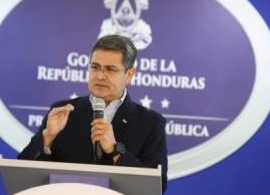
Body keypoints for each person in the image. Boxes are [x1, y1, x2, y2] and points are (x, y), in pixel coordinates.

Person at [18, 34, 168, 193]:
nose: (100, 76)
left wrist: (114, 149)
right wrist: (47, 138)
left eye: (110, 69)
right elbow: (22, 173)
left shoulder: (151, 123)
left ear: (129, 75)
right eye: (95, 67)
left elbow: (156, 187)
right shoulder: (63, 112)